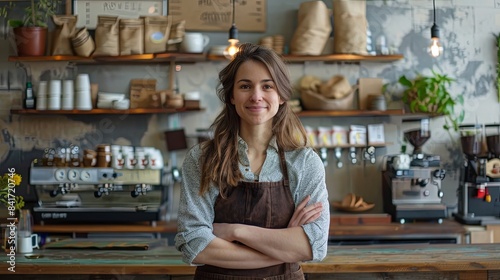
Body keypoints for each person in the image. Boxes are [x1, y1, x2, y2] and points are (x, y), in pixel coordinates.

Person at [175, 43, 330, 279]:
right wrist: (285, 248)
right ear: (231, 97)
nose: (256, 96)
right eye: (245, 86)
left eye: (267, 86)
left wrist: (235, 231)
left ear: (281, 96)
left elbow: (314, 245)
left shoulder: (305, 162)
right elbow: (194, 245)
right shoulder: (202, 159)